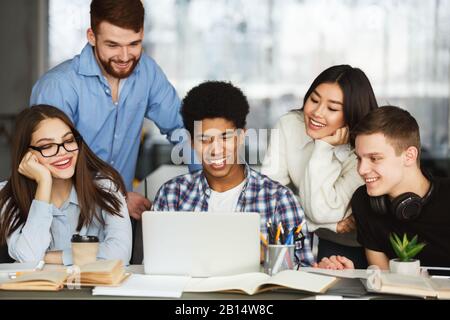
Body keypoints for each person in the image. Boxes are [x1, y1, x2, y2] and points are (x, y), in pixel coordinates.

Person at [30, 0, 199, 220]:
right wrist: (115, 198)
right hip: (63, 219)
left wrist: (212, 182)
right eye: (112, 45)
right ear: (91, 36)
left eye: (134, 44)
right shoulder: (58, 87)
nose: (125, 56)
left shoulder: (147, 72)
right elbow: (50, 164)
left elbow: (181, 128)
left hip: (118, 221)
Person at [152, 81, 314, 266]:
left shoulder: (279, 199)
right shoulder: (172, 195)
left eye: (225, 137)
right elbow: (156, 262)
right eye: (204, 139)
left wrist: (267, 258)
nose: (216, 150)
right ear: (189, 141)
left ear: (241, 136)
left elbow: (305, 269)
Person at [261, 65, 378, 268]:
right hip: (326, 237)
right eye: (314, 100)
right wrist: (326, 225)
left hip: (363, 243)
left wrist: (323, 148)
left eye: (332, 108)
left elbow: (325, 211)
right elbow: (270, 196)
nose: (316, 112)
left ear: (351, 114)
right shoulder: (289, 125)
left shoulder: (363, 149)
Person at [315, 106, 450, 269]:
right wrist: (356, 276)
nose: (361, 170)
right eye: (359, 158)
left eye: (374, 158)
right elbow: (384, 280)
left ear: (409, 156)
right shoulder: (364, 201)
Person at [0, 105, 132, 266]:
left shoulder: (105, 187)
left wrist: (49, 257)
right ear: (26, 155)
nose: (62, 152)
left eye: (68, 140)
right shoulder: (7, 195)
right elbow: (29, 256)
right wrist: (44, 182)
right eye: (47, 146)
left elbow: (121, 253)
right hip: (38, 292)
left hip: (96, 289)